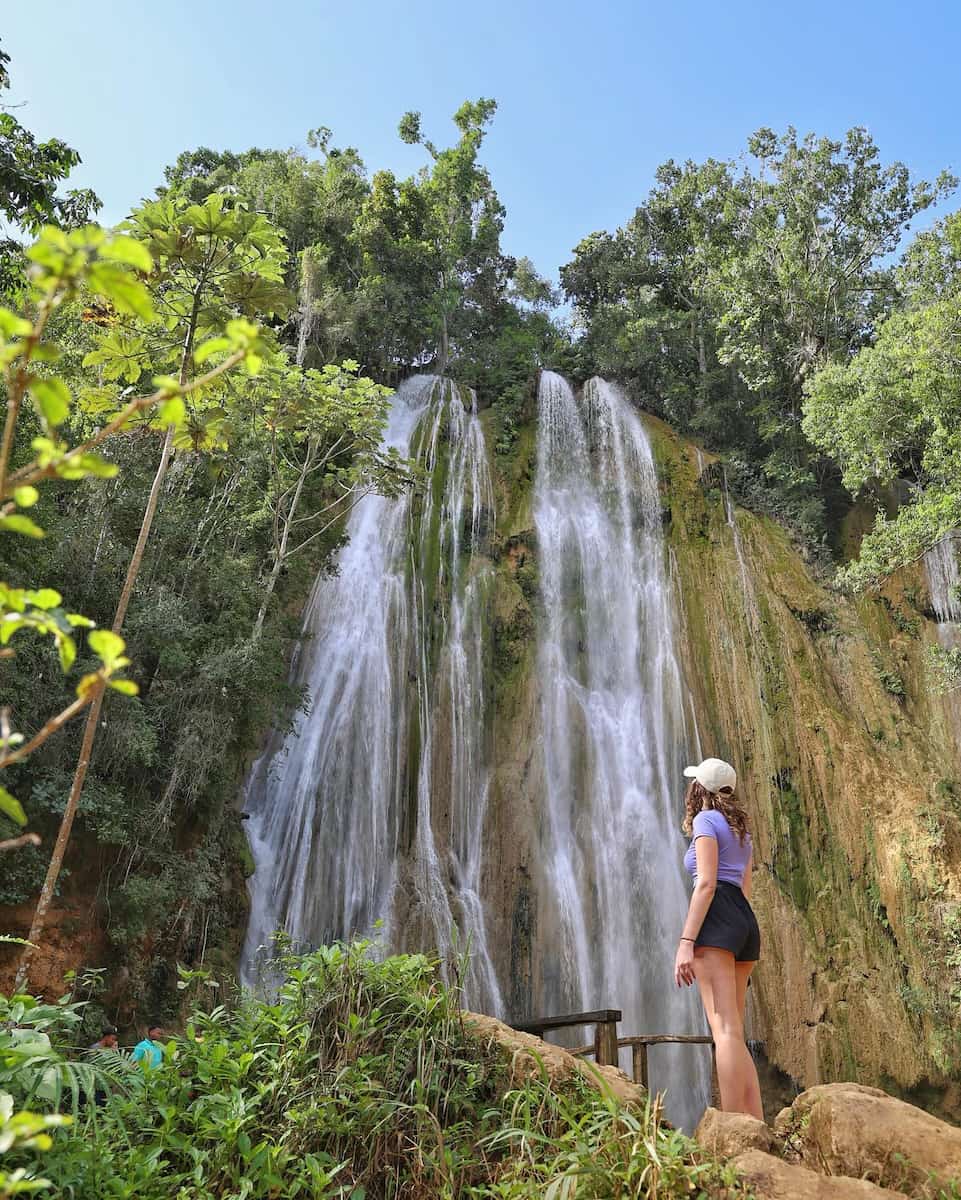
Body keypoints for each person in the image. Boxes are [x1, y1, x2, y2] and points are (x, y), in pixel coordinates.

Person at [674, 757, 763, 1119]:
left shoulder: (705, 820)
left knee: (723, 1030)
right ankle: (754, 1121)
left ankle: (733, 1125)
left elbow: (707, 884)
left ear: (700, 788)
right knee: (734, 1032)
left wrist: (686, 942)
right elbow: (745, 888)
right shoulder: (742, 832)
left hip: (716, 921)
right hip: (743, 921)